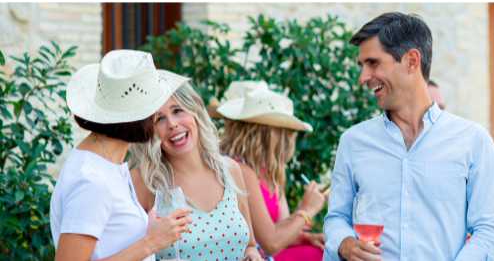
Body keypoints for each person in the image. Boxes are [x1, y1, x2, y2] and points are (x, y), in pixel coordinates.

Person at [323, 12, 494, 261]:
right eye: (362, 65)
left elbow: (487, 228)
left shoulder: (474, 141)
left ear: (411, 61)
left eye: (373, 63)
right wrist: (344, 244)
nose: (363, 77)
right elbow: (336, 219)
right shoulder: (353, 142)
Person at [50, 50, 193, 261]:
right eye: (157, 109)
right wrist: (150, 242)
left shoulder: (108, 162)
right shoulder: (90, 179)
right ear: (138, 117)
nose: (162, 118)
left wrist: (147, 228)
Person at [129, 81, 262, 261]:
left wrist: (252, 256)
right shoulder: (143, 182)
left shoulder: (230, 170)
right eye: (159, 119)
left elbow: (250, 246)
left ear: (195, 113)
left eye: (178, 110)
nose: (172, 124)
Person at [218, 87, 327, 261]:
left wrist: (305, 234)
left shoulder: (266, 170)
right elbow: (271, 243)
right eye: (288, 131)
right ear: (270, 133)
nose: (290, 138)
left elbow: (278, 229)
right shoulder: (239, 169)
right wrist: (307, 211)